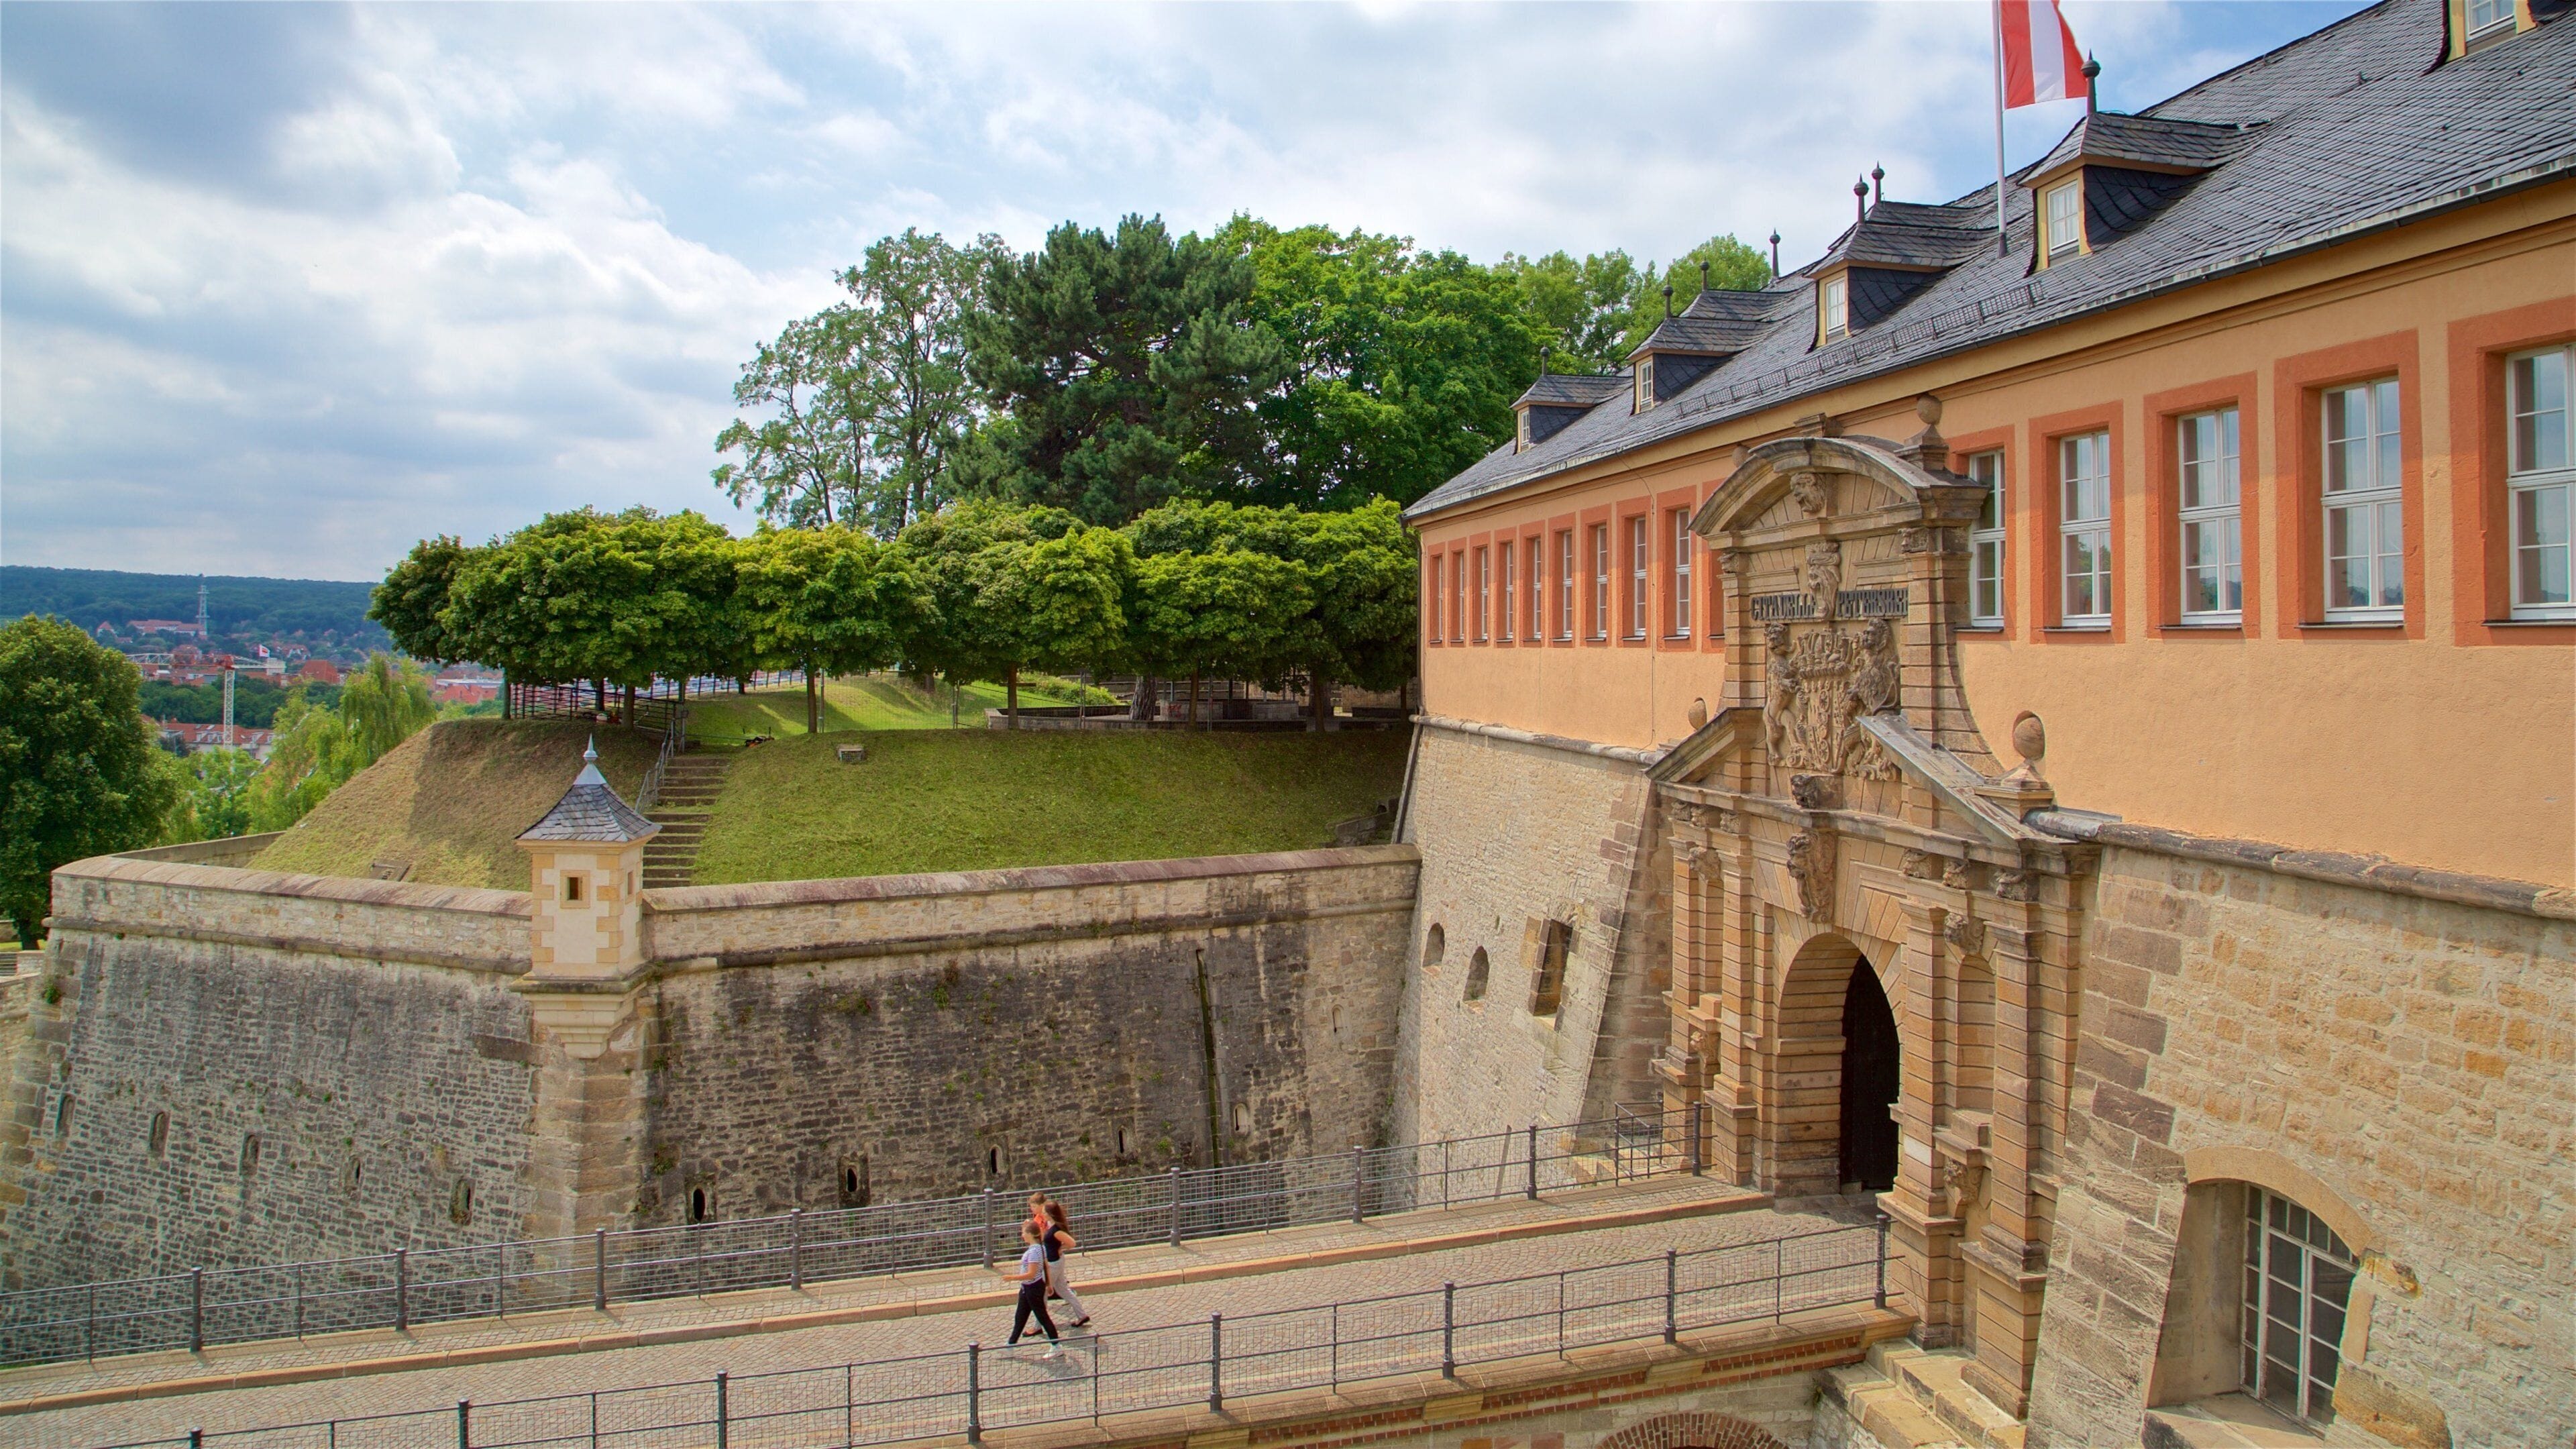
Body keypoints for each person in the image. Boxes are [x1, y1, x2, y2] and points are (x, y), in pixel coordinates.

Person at [1003, 1222, 1061, 1357]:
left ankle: (1056, 1346)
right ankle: (1010, 1345)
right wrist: (1049, 1284)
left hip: (1032, 1288)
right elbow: (1045, 1266)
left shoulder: (1034, 1251)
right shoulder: (1040, 1248)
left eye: (1023, 1233)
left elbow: (1031, 1273)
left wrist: (1011, 1278)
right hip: (1029, 1287)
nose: (1022, 1235)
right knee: (1020, 1316)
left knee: (1042, 1316)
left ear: (1029, 1234)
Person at [1041, 1198, 1092, 1328]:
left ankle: (1039, 1325)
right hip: (1055, 1262)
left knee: (1043, 1292)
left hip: (1054, 1264)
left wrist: (1060, 1248)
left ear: (1049, 1214)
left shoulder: (1056, 1231)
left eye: (1044, 1212)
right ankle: (1082, 1316)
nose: (1042, 1214)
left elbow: (1072, 1243)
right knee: (1063, 1290)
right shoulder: (1051, 1226)